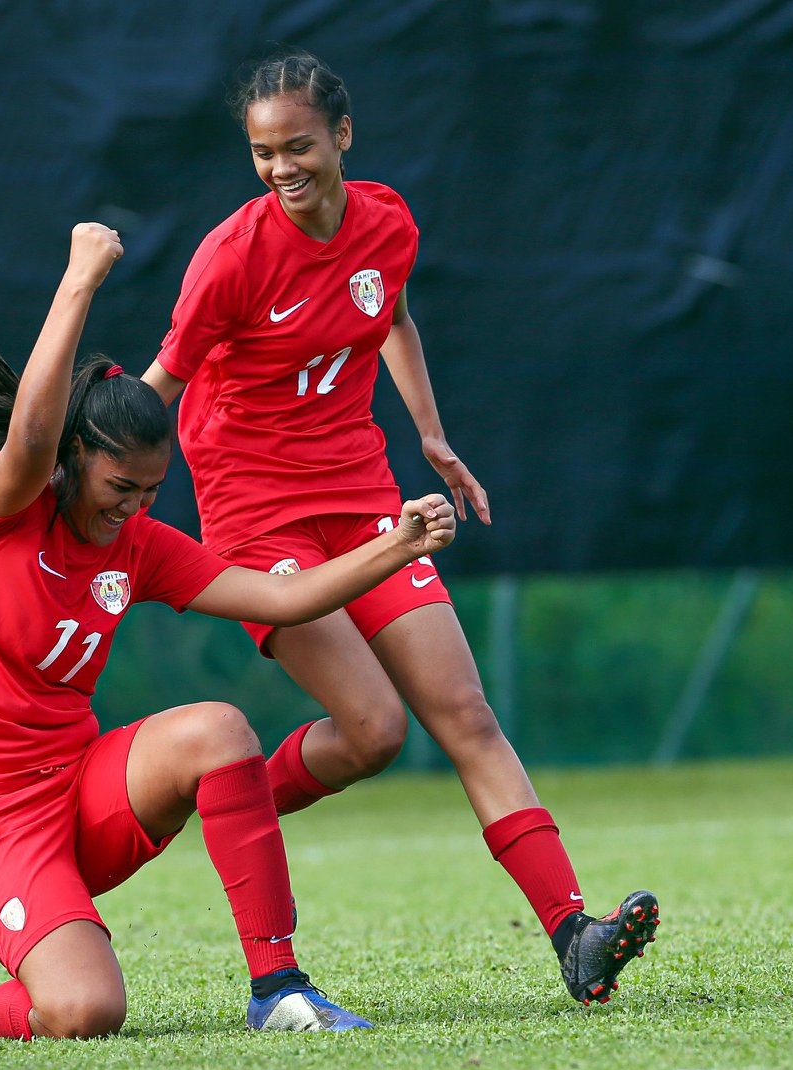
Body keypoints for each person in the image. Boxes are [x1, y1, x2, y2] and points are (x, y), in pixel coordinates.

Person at [137, 51, 658, 1007]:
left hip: (363, 493)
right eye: (262, 153)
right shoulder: (230, 256)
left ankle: (573, 934)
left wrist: (430, 436)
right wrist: (83, 489)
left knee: (463, 714)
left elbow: (393, 323)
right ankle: (223, 801)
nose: (282, 168)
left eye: (298, 146)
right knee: (373, 732)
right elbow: (153, 394)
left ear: (342, 135)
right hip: (255, 514)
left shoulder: (385, 220)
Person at [0, 221, 457, 1039]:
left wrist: (396, 546)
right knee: (84, 1011)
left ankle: (278, 991)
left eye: (152, 488)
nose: (135, 505)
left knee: (217, 731)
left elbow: (281, 599)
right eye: (120, 483)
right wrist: (80, 278)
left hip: (78, 788)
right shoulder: (2, 514)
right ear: (75, 459)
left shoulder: (139, 545)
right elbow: (34, 430)